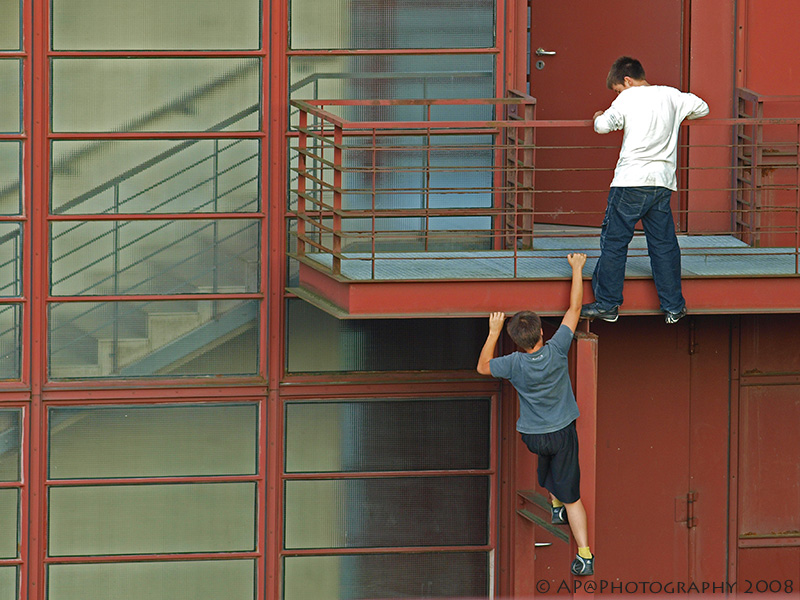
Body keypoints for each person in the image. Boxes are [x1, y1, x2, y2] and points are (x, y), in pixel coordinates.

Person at [477, 253, 594, 576]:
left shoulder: (513, 363)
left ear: (515, 341)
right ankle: (585, 555)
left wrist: (493, 330)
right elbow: (574, 309)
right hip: (561, 432)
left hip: (532, 435)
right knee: (574, 496)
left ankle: (555, 505)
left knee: (548, 465)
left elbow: (483, 367)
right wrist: (577, 269)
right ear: (542, 333)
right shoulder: (557, 350)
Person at [581, 56, 709, 324]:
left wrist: (598, 116)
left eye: (617, 90)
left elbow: (603, 126)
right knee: (663, 245)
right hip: (662, 182)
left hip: (630, 181)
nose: (618, 95)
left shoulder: (629, 99)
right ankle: (674, 306)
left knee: (614, 243)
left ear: (627, 81)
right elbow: (703, 108)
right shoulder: (672, 95)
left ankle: (608, 304)